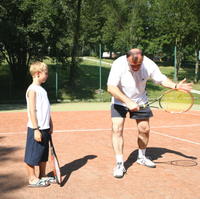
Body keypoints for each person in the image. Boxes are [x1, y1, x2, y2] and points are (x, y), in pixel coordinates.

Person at [107, 48, 192, 178]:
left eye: (138, 65)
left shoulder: (149, 64)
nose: (135, 67)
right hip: (120, 100)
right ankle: (119, 163)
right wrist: (128, 102)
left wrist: (175, 86)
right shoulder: (118, 64)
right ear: (127, 59)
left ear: (143, 60)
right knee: (117, 129)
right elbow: (111, 87)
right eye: (132, 65)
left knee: (144, 129)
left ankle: (141, 157)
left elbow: (161, 79)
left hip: (141, 100)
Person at [24, 61, 55, 187]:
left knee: (43, 154)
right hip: (36, 128)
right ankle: (32, 178)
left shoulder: (42, 89)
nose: (47, 75)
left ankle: (43, 175)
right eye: (45, 73)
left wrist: (50, 123)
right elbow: (32, 110)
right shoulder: (32, 90)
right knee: (32, 155)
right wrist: (36, 129)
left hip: (45, 127)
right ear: (37, 74)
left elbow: (46, 108)